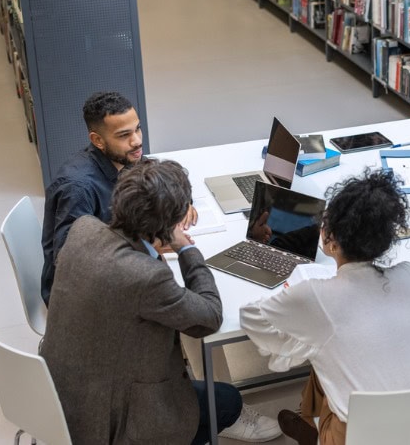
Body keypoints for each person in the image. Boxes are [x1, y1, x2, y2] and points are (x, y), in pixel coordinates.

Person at [37, 160, 254, 443]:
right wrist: (187, 249)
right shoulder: (147, 276)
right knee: (228, 401)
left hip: (59, 399)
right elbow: (210, 317)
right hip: (109, 425)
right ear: (171, 223)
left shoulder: (83, 229)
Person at [240, 169, 410, 445]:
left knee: (320, 346)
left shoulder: (315, 295)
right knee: (335, 345)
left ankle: (310, 432)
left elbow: (251, 316)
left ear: (329, 238)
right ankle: (307, 424)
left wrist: (301, 339)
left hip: (360, 438)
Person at [40, 91, 198, 306]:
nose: (137, 141)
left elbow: (162, 177)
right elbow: (69, 260)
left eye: (138, 129)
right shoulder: (78, 188)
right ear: (98, 140)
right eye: (124, 135)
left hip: (116, 271)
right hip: (80, 298)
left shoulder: (125, 159)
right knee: (180, 304)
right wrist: (145, 247)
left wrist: (183, 202)